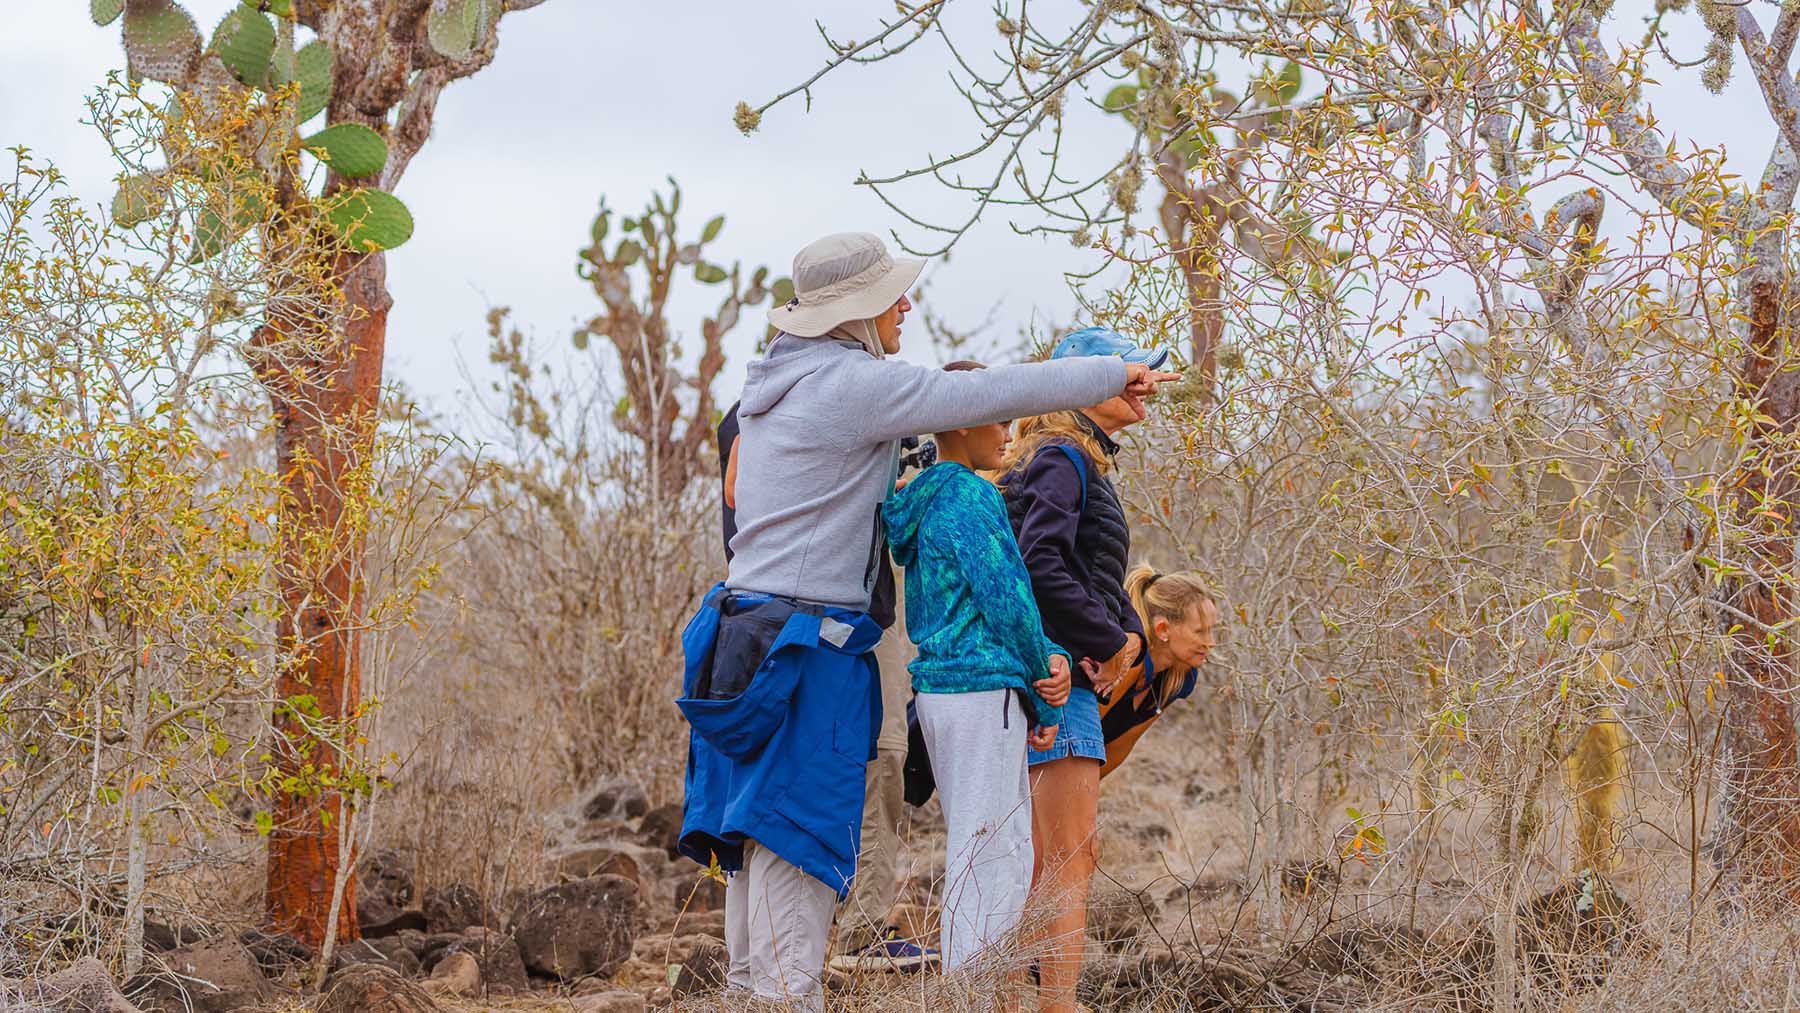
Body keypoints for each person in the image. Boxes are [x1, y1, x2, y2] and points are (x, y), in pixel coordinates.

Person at [677, 234, 1178, 1011]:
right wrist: (1116, 371)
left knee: (755, 862)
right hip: (804, 652)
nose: (906, 304)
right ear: (853, 313)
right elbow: (990, 394)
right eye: (892, 294)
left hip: (741, 636)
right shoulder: (848, 383)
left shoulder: (770, 385)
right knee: (793, 860)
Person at [997, 326, 1170, 1013]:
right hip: (1059, 685)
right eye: (1128, 372)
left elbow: (1071, 568)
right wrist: (1113, 639)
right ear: (1081, 385)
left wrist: (1123, 629)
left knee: (1039, 857)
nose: (1144, 382)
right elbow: (1042, 563)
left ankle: (1017, 997)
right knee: (1067, 859)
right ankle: (1054, 1003)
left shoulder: (1060, 457)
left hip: (1051, 674)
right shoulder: (1064, 457)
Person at [882, 360, 1073, 980]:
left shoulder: (927, 498)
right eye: (998, 417)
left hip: (943, 693)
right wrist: (1045, 690)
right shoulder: (967, 494)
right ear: (959, 424)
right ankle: (972, 991)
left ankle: (969, 988)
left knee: (976, 843)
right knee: (995, 852)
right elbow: (1009, 598)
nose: (1010, 433)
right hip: (982, 689)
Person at [724, 402, 931, 975]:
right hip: (800, 624)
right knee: (792, 788)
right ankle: (779, 968)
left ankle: (853, 934)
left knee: (882, 760)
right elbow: (743, 499)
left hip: (857, 617)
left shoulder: (854, 401)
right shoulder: (781, 412)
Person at [1098, 566, 1219, 777]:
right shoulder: (1129, 659)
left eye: (1211, 630)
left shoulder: (1179, 678)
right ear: (1163, 629)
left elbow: (1118, 749)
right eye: (1200, 631)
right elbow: (1076, 735)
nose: (1211, 642)